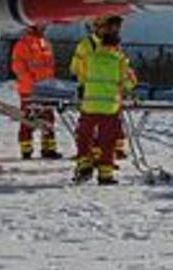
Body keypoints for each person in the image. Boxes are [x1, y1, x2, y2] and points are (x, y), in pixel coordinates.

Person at [73, 21, 137, 185]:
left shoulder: (90, 58)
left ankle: (84, 164)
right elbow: (130, 83)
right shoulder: (120, 60)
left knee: (84, 136)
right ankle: (105, 175)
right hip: (110, 107)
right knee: (107, 141)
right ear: (116, 45)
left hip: (89, 106)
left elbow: (80, 74)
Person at [70, 15, 129, 161]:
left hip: (108, 95)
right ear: (99, 26)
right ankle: (96, 157)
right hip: (93, 94)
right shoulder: (86, 45)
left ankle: (107, 155)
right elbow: (76, 69)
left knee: (109, 129)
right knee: (92, 129)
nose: (115, 31)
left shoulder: (113, 44)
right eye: (111, 27)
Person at [11, 24, 62, 159]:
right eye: (41, 25)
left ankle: (49, 148)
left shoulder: (45, 43)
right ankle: (26, 149)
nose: (44, 26)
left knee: (48, 117)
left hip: (46, 89)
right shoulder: (22, 44)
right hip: (30, 90)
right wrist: (33, 85)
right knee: (28, 119)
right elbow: (19, 68)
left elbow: (50, 67)